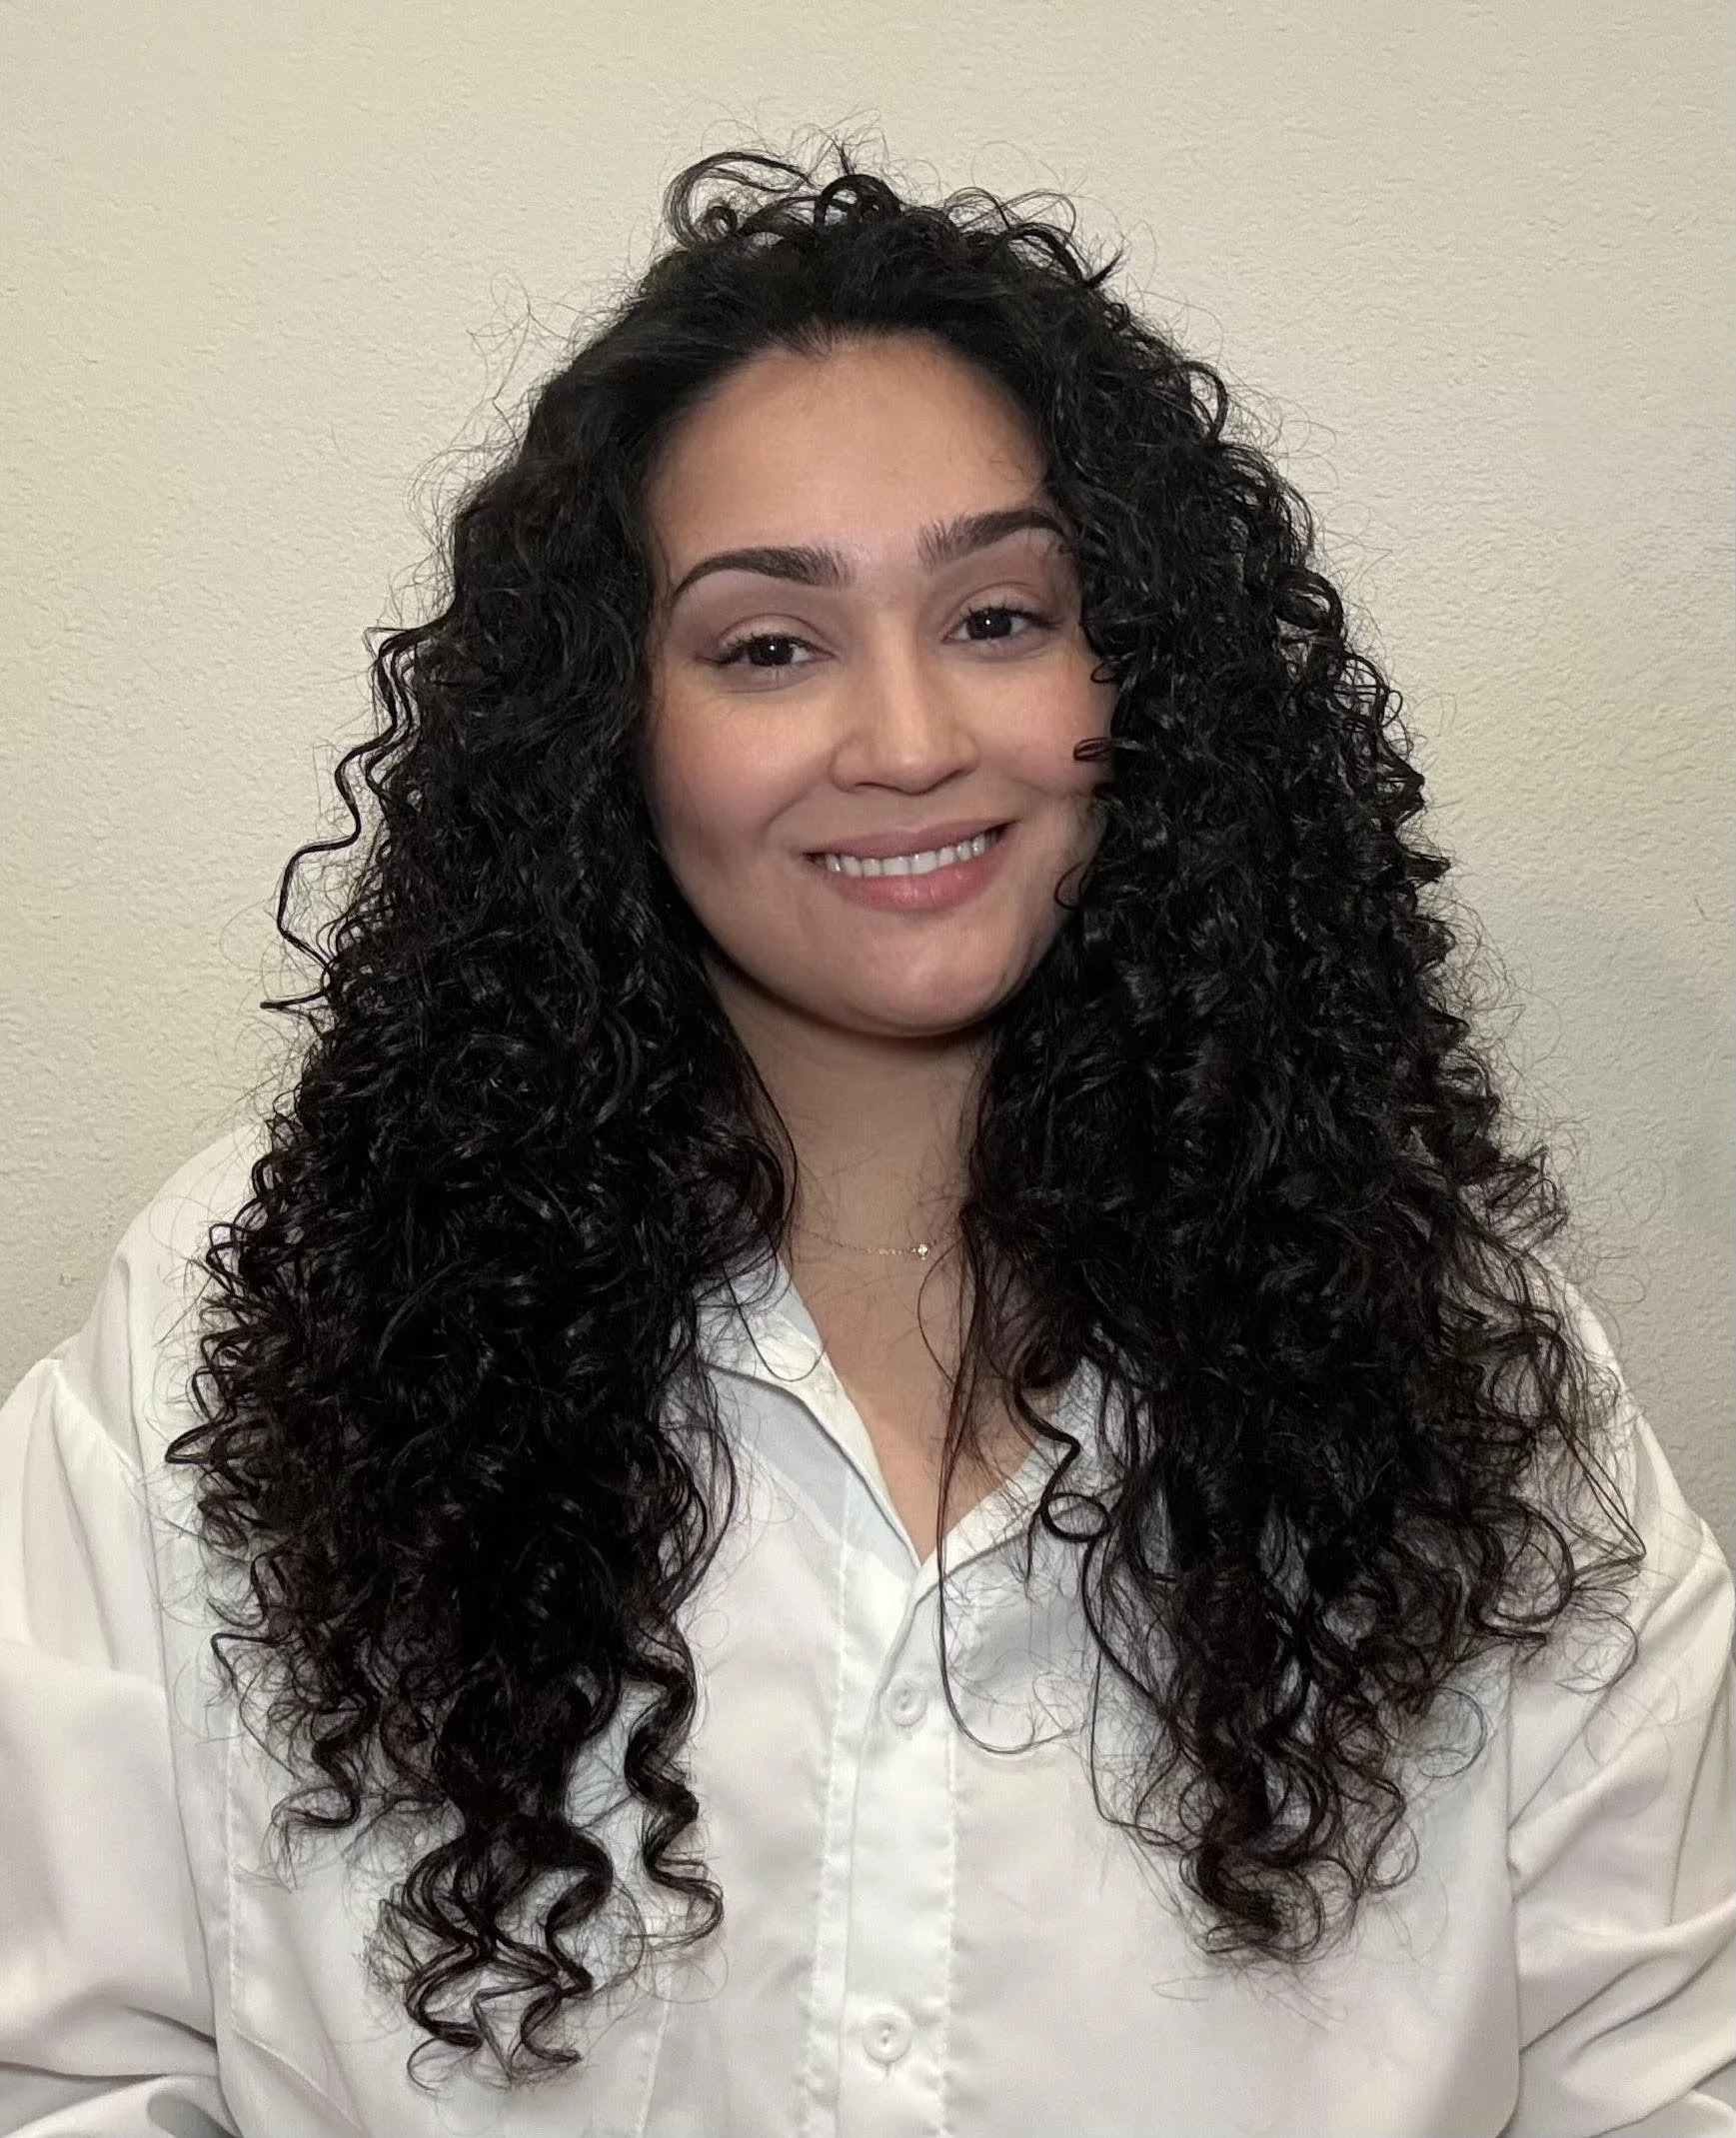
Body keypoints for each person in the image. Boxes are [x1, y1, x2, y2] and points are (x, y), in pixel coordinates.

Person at [1, 145, 1730, 2138]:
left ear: (1137, 684)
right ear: (607, 732)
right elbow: (75, 2075)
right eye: (768, 645)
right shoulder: (230, 1327)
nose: (908, 737)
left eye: (1000, 616)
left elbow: (1661, 2089)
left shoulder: (1467, 1377)